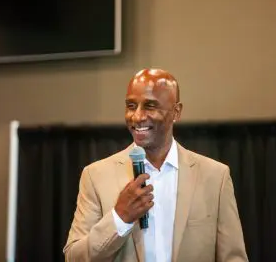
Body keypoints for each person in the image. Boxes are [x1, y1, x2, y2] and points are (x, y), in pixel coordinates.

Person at [63, 68, 248, 262]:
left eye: (150, 106)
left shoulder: (215, 176)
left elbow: (233, 258)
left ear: (176, 112)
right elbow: (74, 257)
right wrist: (120, 218)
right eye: (131, 106)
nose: (137, 117)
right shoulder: (96, 176)